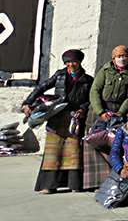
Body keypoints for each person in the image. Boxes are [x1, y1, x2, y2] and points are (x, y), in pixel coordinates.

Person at [22, 49, 93, 193]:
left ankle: (73, 184)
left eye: (73, 61)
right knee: (53, 151)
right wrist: (28, 102)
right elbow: (42, 87)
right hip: (57, 116)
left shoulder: (88, 80)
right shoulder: (59, 75)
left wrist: (82, 110)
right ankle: (49, 185)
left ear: (79, 62)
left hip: (74, 118)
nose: (70, 65)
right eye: (67, 62)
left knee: (73, 150)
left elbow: (89, 100)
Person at [83, 45, 128, 191]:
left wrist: (121, 112)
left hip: (119, 112)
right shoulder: (105, 71)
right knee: (93, 142)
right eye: (119, 56)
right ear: (113, 58)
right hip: (101, 111)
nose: (122, 59)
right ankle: (94, 181)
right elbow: (95, 90)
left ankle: (115, 178)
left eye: (125, 56)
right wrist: (100, 111)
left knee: (116, 144)